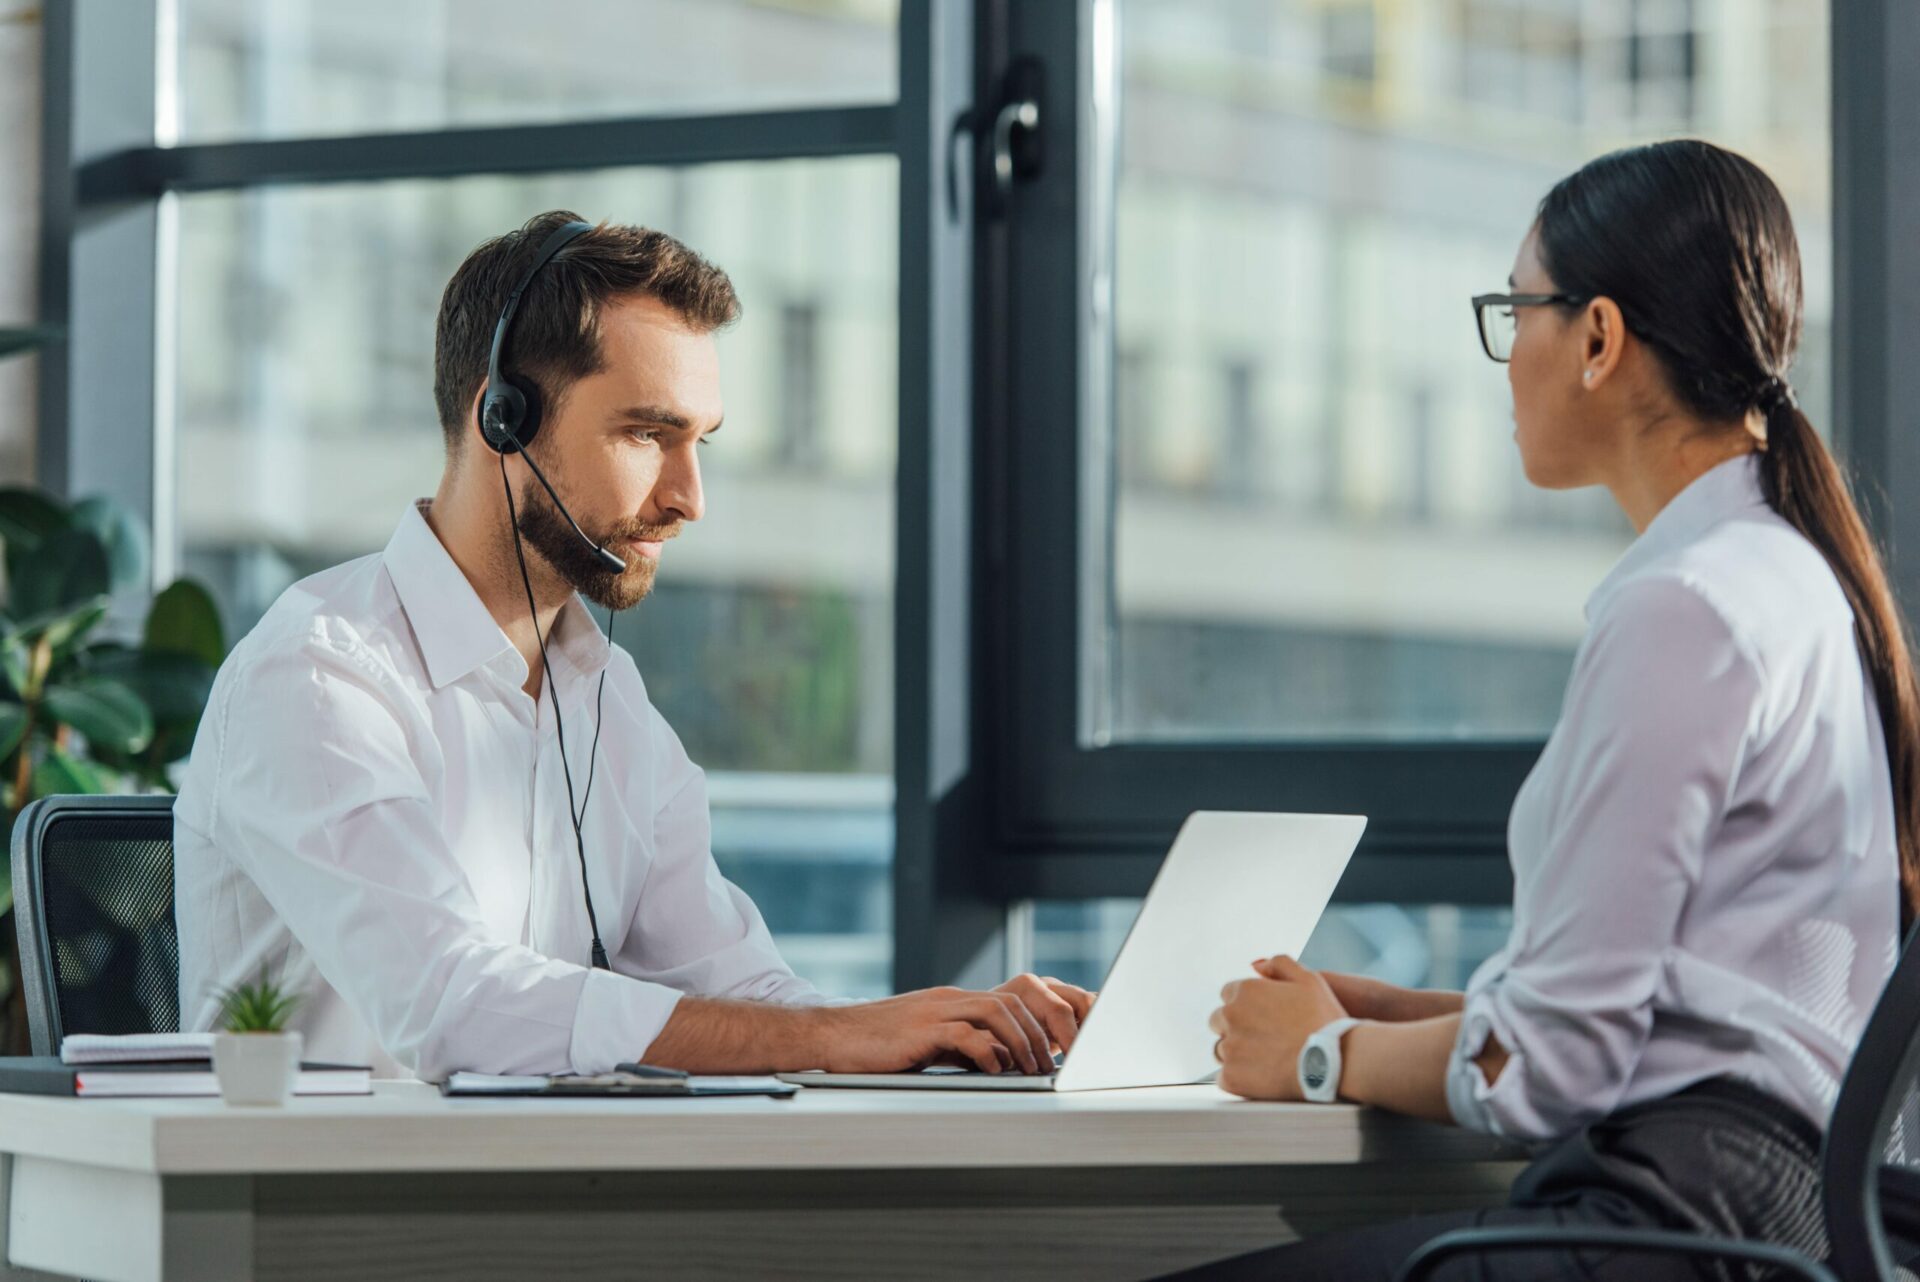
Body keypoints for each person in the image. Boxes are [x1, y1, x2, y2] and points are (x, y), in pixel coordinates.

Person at [1180, 139, 1920, 1278]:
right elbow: (1656, 1017)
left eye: (1513, 309)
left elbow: (1553, 1069)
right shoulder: (1786, 574)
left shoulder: (1687, 604)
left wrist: (1322, 1055)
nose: (1505, 352)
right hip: (1760, 1220)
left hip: (1659, 1230)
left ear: (1598, 338)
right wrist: (1382, 1013)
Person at [173, 211, 1091, 1082]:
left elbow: (738, 990)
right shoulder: (319, 677)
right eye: (648, 434)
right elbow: (451, 1006)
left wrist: (932, 1037)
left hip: (555, 1212)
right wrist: (833, 1036)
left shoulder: (608, 700)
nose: (692, 497)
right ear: (505, 419)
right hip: (321, 1226)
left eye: (700, 442)